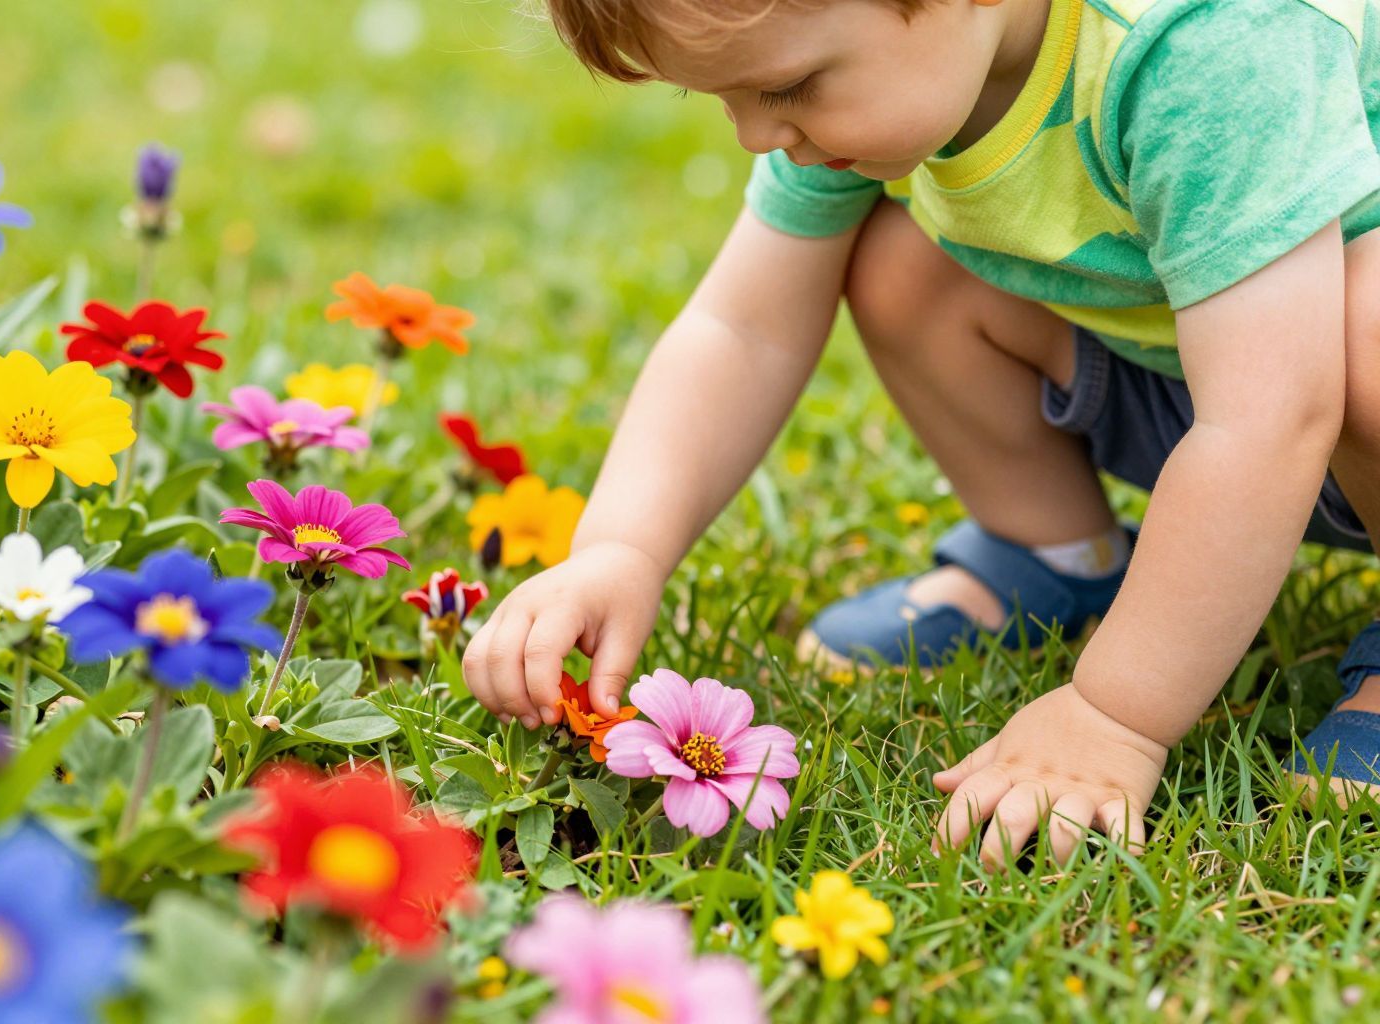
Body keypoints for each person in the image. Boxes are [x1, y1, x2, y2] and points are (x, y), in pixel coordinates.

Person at [462, 0, 1380, 864]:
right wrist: (619, 549)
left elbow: (1272, 417)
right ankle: (1053, 553)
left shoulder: (1208, 48)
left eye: (785, 88)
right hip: (1206, 377)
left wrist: (1113, 717)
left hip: (1304, 388)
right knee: (904, 265)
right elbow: (741, 329)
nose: (754, 134)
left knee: (1362, 325)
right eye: (722, 97)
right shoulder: (919, 64)